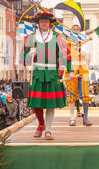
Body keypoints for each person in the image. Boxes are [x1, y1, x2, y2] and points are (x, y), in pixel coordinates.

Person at [22, 10, 74, 140]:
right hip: (37, 73)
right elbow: (24, 60)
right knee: (36, 103)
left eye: (46, 21)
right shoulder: (31, 38)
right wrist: (30, 54)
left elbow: (65, 55)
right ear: (38, 23)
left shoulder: (57, 37)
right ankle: (41, 124)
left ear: (50, 23)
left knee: (50, 104)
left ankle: (48, 130)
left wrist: (70, 70)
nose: (44, 23)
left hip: (52, 74)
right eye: (42, 21)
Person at [64, 24, 94, 127]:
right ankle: (72, 118)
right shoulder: (67, 42)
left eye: (77, 29)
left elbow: (88, 55)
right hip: (71, 71)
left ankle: (85, 118)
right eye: (74, 30)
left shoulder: (84, 41)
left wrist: (79, 49)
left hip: (83, 71)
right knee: (71, 95)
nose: (76, 31)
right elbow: (65, 56)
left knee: (85, 95)